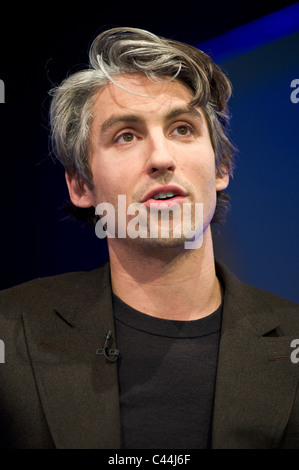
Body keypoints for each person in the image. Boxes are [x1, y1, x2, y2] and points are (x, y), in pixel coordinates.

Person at [0, 27, 298, 450]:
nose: (161, 158)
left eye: (181, 129)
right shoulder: (10, 334)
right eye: (126, 135)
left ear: (220, 168)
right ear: (81, 186)